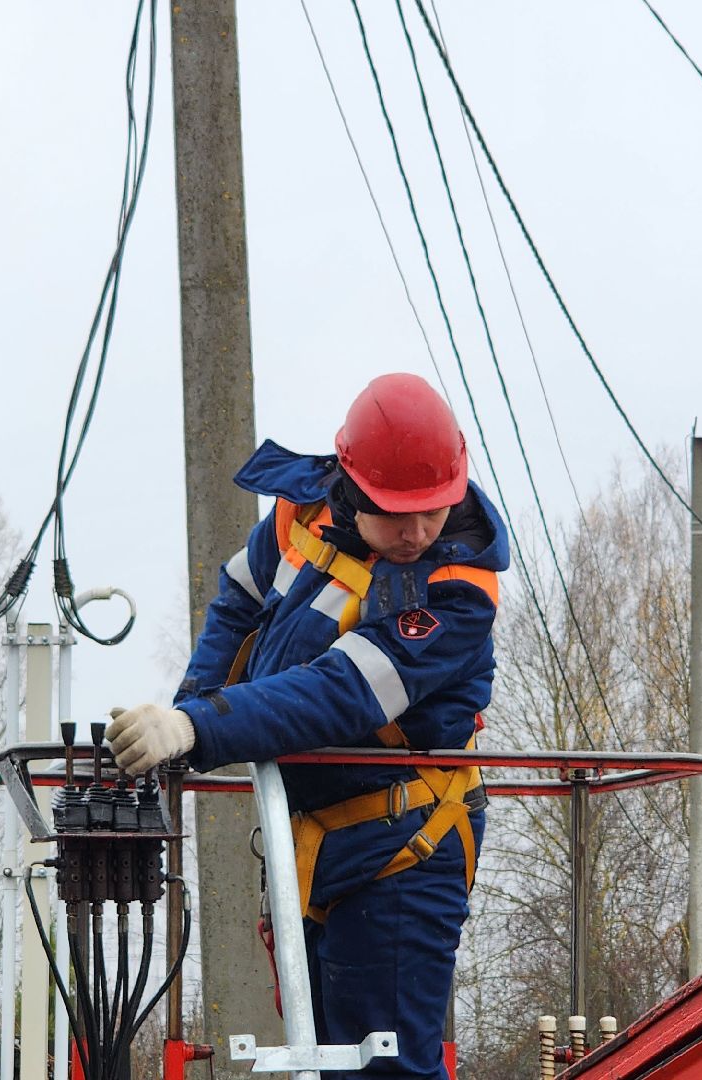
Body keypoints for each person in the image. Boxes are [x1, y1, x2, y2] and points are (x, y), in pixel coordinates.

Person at [107, 372, 507, 1079]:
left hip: (404, 848)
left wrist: (198, 726)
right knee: (324, 1067)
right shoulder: (302, 512)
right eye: (396, 513)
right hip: (319, 847)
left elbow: (338, 692)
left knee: (385, 1072)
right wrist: (185, 709)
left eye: (433, 511)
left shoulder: (458, 595)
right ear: (352, 484)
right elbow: (238, 603)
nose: (417, 533)